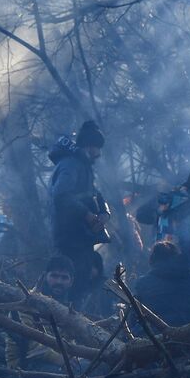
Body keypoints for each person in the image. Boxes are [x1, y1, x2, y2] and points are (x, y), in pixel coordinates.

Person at [49, 120, 110, 311]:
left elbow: (95, 194)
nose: (98, 153)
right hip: (70, 238)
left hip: (80, 238)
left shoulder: (82, 167)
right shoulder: (71, 165)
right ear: (89, 146)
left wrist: (105, 212)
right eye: (97, 148)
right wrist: (88, 215)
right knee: (72, 288)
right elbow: (61, 195)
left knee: (81, 285)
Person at [133, 240, 190, 326]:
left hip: (153, 332)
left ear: (152, 261)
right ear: (177, 258)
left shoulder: (142, 284)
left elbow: (134, 318)